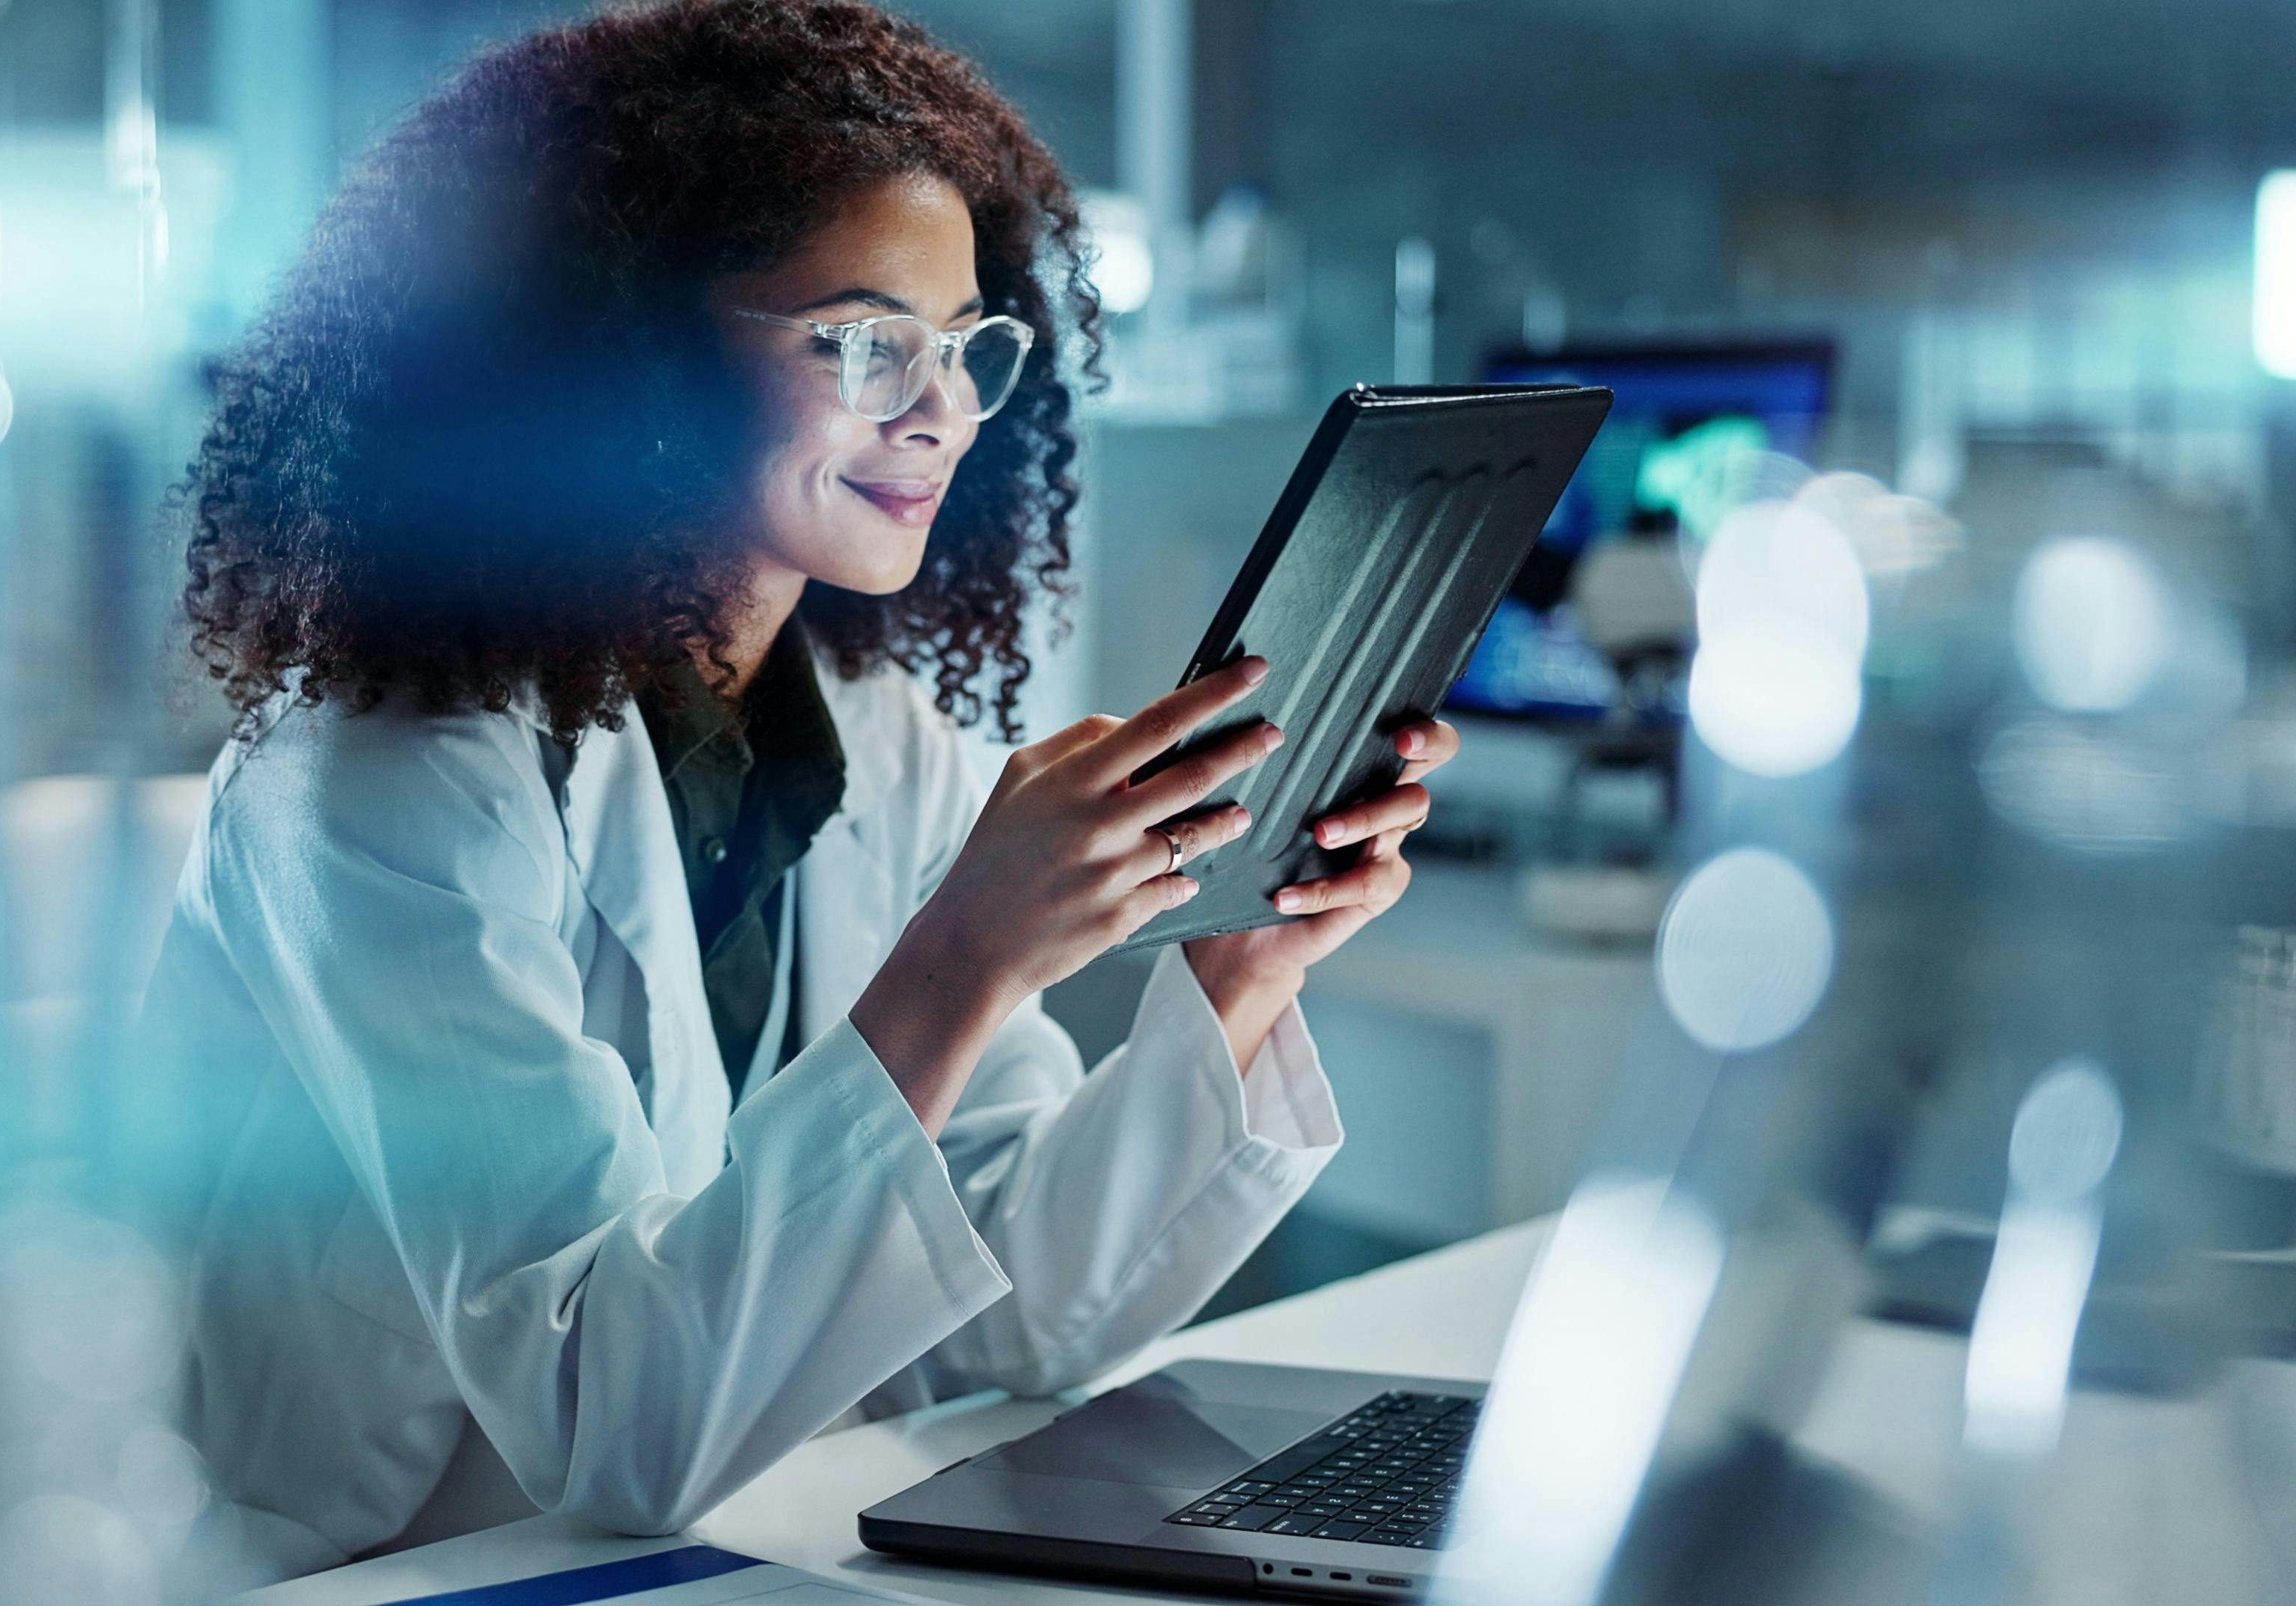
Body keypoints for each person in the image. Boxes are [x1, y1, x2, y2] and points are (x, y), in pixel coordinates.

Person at [149, 0, 1456, 1580]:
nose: (943, 411)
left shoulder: (870, 733)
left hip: (721, 1542)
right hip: (385, 1568)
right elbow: (603, 1425)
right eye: (861, 340)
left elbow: (1020, 1314)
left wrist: (1237, 979)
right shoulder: (377, 774)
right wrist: (963, 960)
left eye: (970, 345)